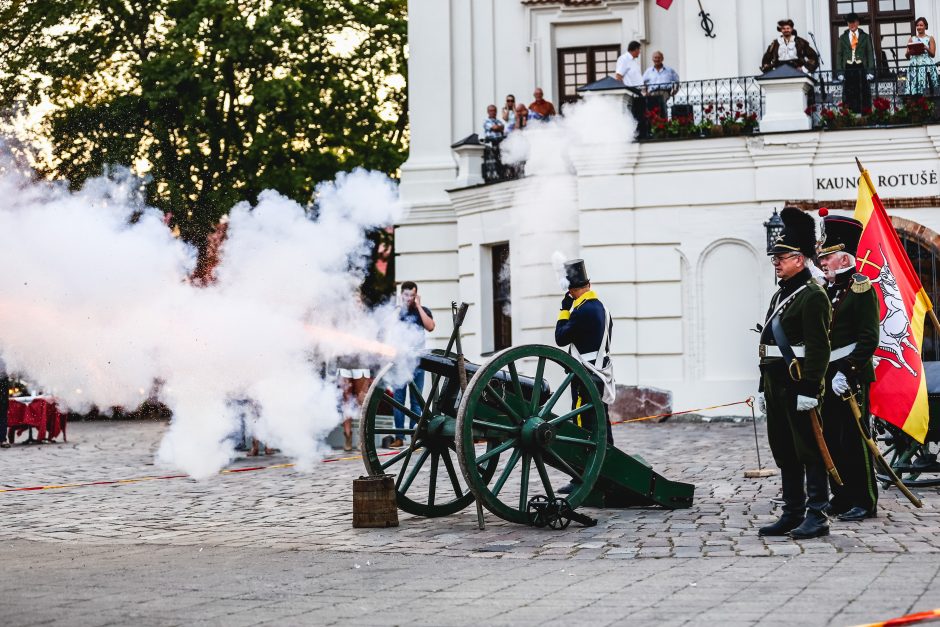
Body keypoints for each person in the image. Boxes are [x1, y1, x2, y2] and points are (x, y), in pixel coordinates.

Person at [756, 207, 832, 539]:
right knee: (784, 449)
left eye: (782, 257)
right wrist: (763, 387)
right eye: (776, 257)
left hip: (799, 384)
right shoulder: (780, 294)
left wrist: (810, 389)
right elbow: (768, 344)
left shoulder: (812, 295)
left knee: (809, 448)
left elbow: (819, 348)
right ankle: (792, 512)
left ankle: (817, 514)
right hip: (776, 385)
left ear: (799, 259)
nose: (776, 261)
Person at [817, 214, 880, 522]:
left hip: (850, 376)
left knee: (855, 440)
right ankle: (840, 496)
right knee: (831, 439)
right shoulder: (827, 290)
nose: (822, 262)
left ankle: (865, 500)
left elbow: (869, 339)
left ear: (844, 257)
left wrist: (847, 370)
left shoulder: (861, 288)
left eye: (827, 257)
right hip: (828, 375)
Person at [554, 259, 615, 493]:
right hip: (600, 372)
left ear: (571, 291)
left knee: (583, 426)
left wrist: (563, 310)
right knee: (601, 424)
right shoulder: (602, 308)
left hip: (585, 375)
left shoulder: (580, 310)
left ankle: (583, 476)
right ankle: (606, 471)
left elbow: (560, 338)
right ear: (588, 284)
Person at [390, 281, 434, 448]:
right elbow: (389, 328)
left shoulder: (422, 311)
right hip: (400, 362)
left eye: (412, 295)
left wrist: (419, 306)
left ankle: (415, 436)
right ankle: (399, 437)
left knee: (416, 402)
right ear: (402, 295)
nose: (409, 298)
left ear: (416, 295)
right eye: (406, 295)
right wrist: (400, 307)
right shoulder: (397, 312)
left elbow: (430, 327)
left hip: (417, 363)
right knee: (399, 401)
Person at [836, 13, 875, 113]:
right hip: (848, 68)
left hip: (861, 67)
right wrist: (840, 72)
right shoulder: (843, 37)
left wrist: (870, 71)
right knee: (848, 94)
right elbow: (839, 55)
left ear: (858, 23)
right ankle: (849, 116)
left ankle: (865, 115)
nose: (852, 24)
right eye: (849, 22)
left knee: (863, 93)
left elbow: (870, 54)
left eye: (853, 22)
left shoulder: (865, 37)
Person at [336, 354, 372, 452]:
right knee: (346, 402)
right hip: (344, 362)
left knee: (361, 401)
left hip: (362, 362)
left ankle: (362, 438)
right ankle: (348, 437)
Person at [905, 17, 939, 96]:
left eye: (921, 25)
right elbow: (907, 56)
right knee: (914, 90)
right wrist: (909, 52)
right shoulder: (912, 39)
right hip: (914, 66)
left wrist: (926, 48)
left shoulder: (930, 38)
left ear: (925, 26)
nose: (919, 27)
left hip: (926, 66)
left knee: (928, 90)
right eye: (917, 25)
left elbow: (933, 54)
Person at [642, 50, 680, 118]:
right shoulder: (648, 71)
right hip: (652, 93)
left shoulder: (669, 70)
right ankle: (654, 125)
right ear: (652, 59)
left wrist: (675, 91)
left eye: (659, 57)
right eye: (655, 57)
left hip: (665, 92)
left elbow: (677, 81)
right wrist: (645, 92)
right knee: (653, 111)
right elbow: (642, 82)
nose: (657, 59)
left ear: (662, 59)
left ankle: (663, 124)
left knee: (663, 109)